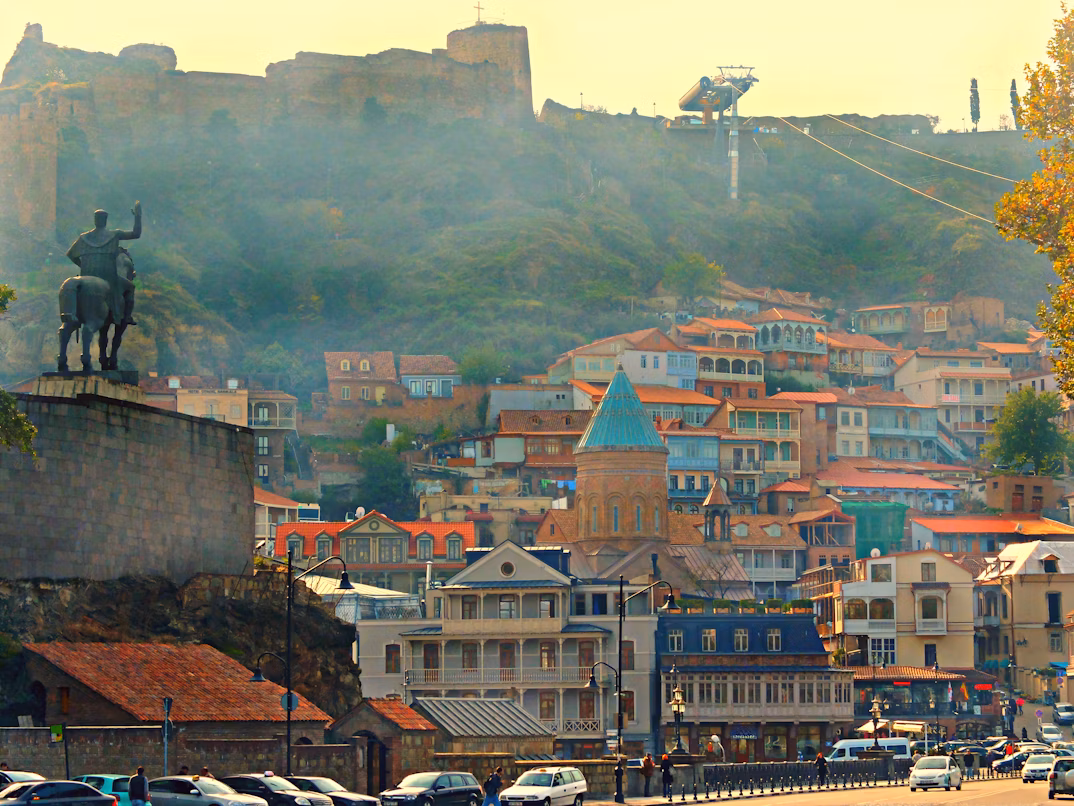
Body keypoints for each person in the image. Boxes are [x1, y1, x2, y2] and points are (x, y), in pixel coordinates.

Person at [65, 203, 141, 328]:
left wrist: (82, 265)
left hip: (87, 274)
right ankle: (127, 316)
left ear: (95, 221)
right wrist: (138, 217)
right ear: (105, 220)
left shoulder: (84, 237)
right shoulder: (114, 234)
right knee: (130, 287)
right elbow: (136, 234)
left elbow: (70, 255)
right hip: (109, 277)